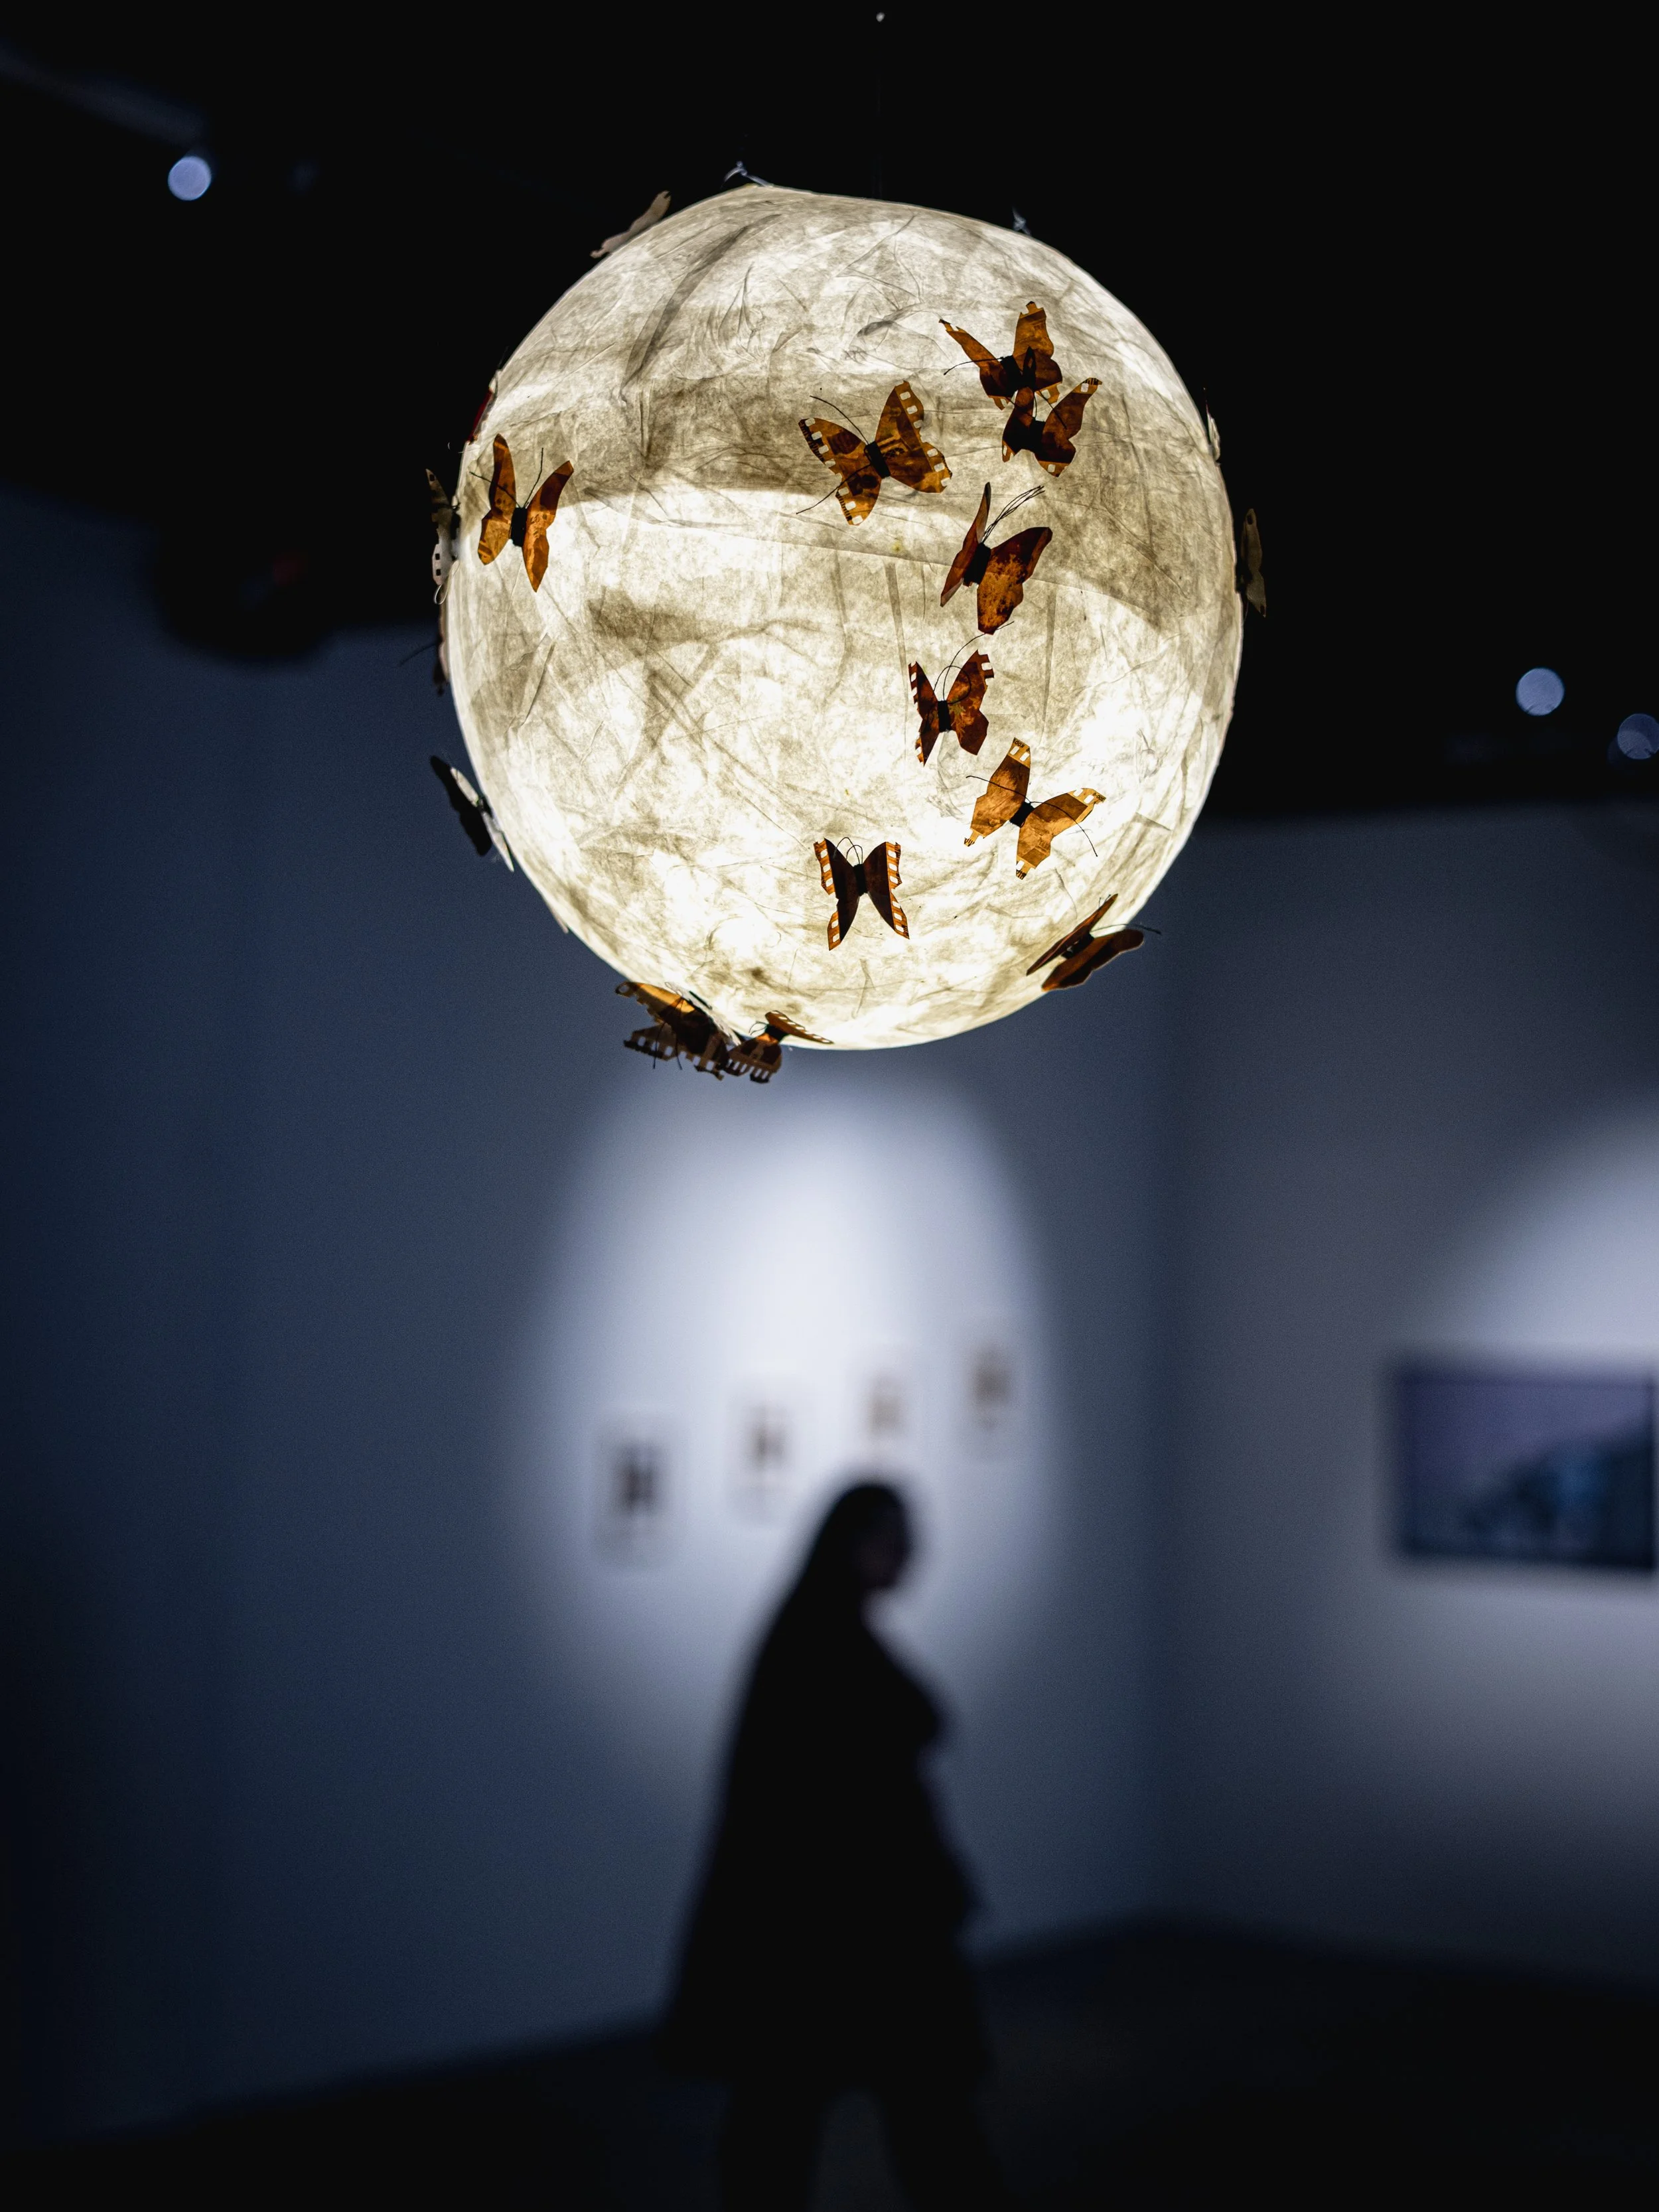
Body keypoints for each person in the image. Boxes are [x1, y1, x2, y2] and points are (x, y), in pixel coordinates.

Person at [659, 1481, 1014, 2210]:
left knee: (806, 2108)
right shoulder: (822, 1640)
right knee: (878, 2107)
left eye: (910, 1538)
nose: (912, 1554)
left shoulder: (821, 1630)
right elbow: (841, 1781)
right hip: (844, 1926)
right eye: (894, 1539)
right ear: (850, 1545)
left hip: (842, 1926)